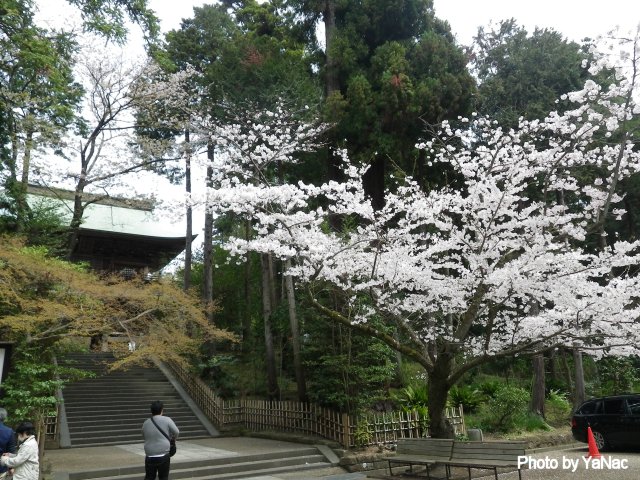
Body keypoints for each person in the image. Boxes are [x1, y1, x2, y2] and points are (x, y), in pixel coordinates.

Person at [142, 400, 179, 480]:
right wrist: (173, 440)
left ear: (151, 411)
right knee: (163, 477)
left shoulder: (145, 423)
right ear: (162, 410)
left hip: (149, 455)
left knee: (149, 477)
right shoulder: (167, 419)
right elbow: (176, 432)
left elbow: (144, 435)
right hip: (163, 454)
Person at [0, 408, 16, 475]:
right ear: (4, 418)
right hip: (2, 466)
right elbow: (11, 451)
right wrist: (11, 467)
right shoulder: (9, 432)